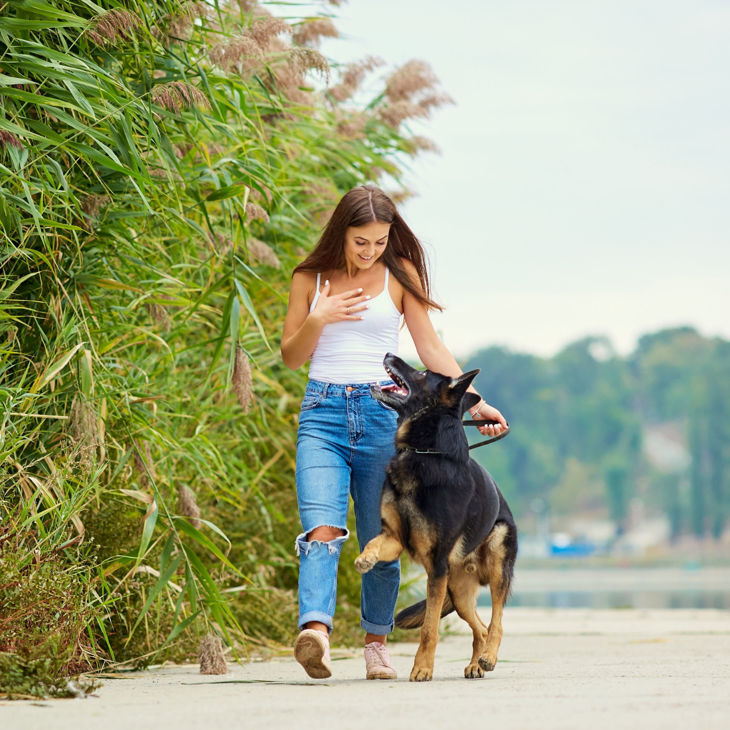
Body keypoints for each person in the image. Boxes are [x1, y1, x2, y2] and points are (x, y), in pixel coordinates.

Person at [280, 185, 507, 680]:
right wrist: (318, 317)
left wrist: (477, 401)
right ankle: (315, 632)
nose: (370, 251)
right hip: (322, 415)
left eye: (380, 241)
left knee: (385, 537)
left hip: (383, 418)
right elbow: (292, 357)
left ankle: (376, 645)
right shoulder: (309, 278)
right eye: (361, 241)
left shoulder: (398, 277)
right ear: (342, 232)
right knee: (321, 530)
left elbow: (429, 347)